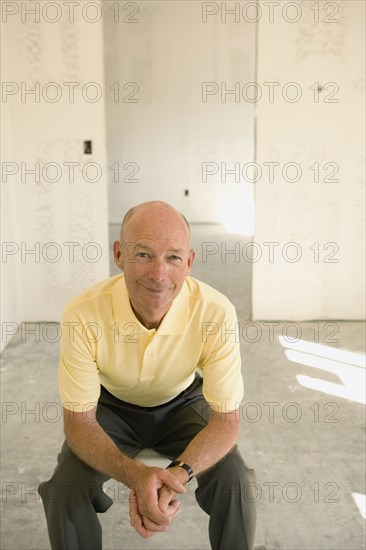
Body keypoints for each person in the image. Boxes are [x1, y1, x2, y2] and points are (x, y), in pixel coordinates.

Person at [38, 201, 256, 550]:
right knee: (64, 489)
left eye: (173, 257)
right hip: (110, 409)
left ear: (189, 262)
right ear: (119, 254)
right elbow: (79, 422)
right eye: (143, 255)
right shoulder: (82, 313)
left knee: (237, 484)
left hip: (184, 404)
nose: (158, 275)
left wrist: (177, 474)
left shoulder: (216, 311)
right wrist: (136, 476)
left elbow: (227, 420)